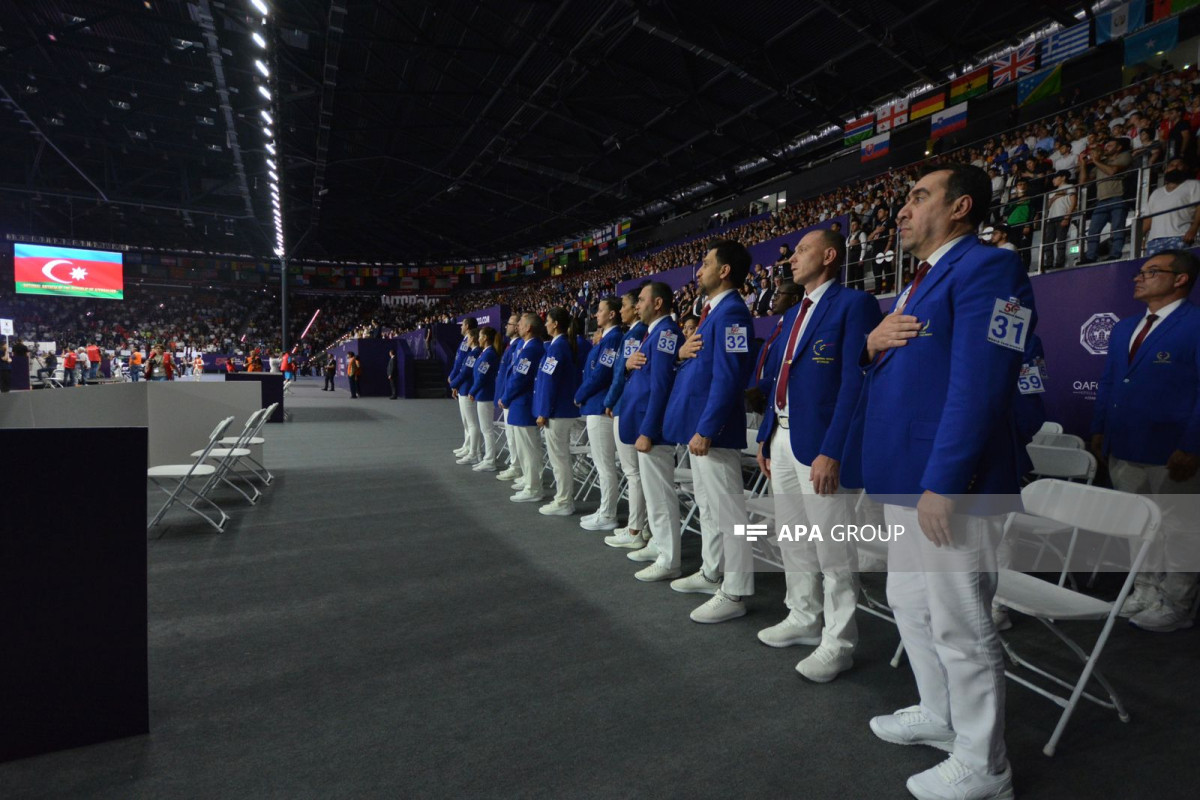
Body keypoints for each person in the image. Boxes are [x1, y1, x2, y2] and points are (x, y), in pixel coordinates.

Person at [852, 163, 1032, 800]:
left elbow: (982, 385)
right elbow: (903, 373)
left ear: (960, 209)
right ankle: (941, 715)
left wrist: (946, 481)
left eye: (918, 196)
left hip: (952, 483)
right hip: (908, 477)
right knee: (908, 601)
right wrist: (869, 347)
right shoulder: (918, 283)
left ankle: (987, 768)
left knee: (963, 625)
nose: (902, 209)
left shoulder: (991, 268)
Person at [755, 229, 882, 680]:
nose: (791, 258)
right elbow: (778, 380)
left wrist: (834, 449)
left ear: (829, 256)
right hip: (784, 439)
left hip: (822, 443)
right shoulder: (793, 314)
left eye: (802, 250)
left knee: (834, 549)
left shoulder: (853, 304)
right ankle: (803, 616)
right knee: (792, 536)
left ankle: (840, 640)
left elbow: (855, 380)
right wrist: (767, 435)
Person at [1091, 250, 1200, 632]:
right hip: (1123, 445)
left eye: (1150, 272)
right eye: (1139, 272)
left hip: (1173, 452)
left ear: (1180, 279)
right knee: (1137, 525)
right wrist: (1099, 428)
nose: (1139, 278)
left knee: (1182, 528)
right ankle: (1144, 589)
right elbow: (1108, 382)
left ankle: (1177, 602)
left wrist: (1193, 445)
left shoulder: (1196, 324)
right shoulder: (1125, 329)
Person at [659, 239, 757, 623]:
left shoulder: (732, 314)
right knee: (710, 507)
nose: (697, 271)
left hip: (712, 432)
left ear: (724, 270)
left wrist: (708, 428)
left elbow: (730, 378)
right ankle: (712, 570)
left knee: (729, 511)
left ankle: (735, 591)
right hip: (702, 429)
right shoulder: (712, 314)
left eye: (705, 264)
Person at [618, 282, 683, 582]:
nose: (636, 305)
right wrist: (629, 366)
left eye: (641, 300)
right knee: (653, 494)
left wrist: (649, 430)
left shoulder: (666, 333)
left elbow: (661, 387)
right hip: (645, 425)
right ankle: (658, 543)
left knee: (660, 496)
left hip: (652, 429)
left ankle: (669, 559)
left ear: (657, 304)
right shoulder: (653, 333)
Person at [602, 290, 650, 551]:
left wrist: (610, 400)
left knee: (633, 473)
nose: (621, 310)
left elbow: (622, 371)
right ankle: (638, 526)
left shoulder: (634, 333)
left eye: (625, 306)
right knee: (635, 473)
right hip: (627, 404)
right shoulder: (637, 331)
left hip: (626, 405)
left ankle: (635, 528)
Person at [574, 297, 624, 531]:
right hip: (595, 404)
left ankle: (608, 514)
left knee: (605, 466)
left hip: (599, 405)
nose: (596, 314)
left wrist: (580, 394)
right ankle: (605, 510)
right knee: (602, 464)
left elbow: (601, 374)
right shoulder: (606, 339)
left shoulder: (613, 339)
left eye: (600, 310)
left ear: (612, 314)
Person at [534, 307, 580, 516]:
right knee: (559, 457)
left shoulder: (558, 347)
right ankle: (563, 498)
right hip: (559, 410)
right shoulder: (558, 346)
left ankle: (564, 500)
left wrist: (544, 411)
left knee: (559, 458)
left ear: (554, 324)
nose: (545, 324)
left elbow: (550, 382)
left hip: (557, 412)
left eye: (547, 321)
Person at [501, 313, 547, 503]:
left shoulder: (531, 349)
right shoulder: (528, 347)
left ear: (528, 328)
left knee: (529, 449)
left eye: (520, 323)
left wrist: (506, 397)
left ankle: (533, 487)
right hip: (520, 403)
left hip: (524, 403)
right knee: (525, 448)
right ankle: (529, 480)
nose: (517, 325)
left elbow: (519, 378)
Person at [1080, 137, 1133, 264]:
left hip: (1118, 197)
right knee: (1093, 230)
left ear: (1118, 147)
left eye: (1110, 145)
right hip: (1101, 200)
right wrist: (1082, 166)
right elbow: (1083, 182)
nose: (1106, 147)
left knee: (1117, 228)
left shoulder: (1124, 156)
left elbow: (1112, 171)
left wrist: (1096, 161)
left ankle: (1115, 254)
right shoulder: (1102, 162)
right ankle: (1091, 256)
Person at [1142, 158, 1200, 256]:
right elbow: (1149, 219)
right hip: (1154, 240)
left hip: (1180, 235)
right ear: (1166, 170)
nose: (1175, 168)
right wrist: (1140, 238)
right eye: (1172, 165)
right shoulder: (1156, 193)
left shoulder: (1194, 185)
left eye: (1179, 165)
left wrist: (1193, 229)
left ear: (1185, 168)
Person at [468, 326, 502, 472]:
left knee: (487, 429)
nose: (478, 339)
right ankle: (487, 458)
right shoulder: (485, 353)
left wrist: (473, 391)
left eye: (481, 336)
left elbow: (482, 376)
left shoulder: (489, 355)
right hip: (483, 394)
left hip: (485, 395)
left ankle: (490, 460)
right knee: (485, 428)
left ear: (486, 338)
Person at [495, 314, 524, 483]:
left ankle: (517, 467)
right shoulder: (510, 345)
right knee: (511, 436)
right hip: (508, 395)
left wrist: (506, 395)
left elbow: (516, 376)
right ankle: (516, 466)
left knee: (514, 437)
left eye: (510, 324)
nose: (507, 326)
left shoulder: (519, 345)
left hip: (513, 397)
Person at [449, 317, 479, 459]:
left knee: (471, 421)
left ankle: (473, 450)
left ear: (467, 326)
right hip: (462, 384)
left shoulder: (470, 345)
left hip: (466, 384)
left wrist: (454, 380)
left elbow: (462, 364)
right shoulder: (464, 341)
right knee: (466, 421)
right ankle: (467, 446)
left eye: (462, 325)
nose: (460, 328)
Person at [454, 330, 483, 463]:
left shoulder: (475, 353)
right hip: (463, 388)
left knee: (472, 424)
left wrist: (453, 383)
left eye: (469, 337)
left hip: (467, 389)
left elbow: (465, 372)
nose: (467, 340)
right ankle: (468, 447)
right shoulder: (472, 352)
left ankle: (474, 453)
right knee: (467, 422)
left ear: (473, 339)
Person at [1041, 170, 1076, 270]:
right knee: (1048, 242)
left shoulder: (1070, 186)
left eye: (1056, 178)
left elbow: (1073, 202)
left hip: (1062, 215)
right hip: (1051, 218)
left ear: (1063, 177)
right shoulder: (1052, 192)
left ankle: (1060, 262)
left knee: (1061, 240)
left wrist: (1067, 217)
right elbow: (1047, 206)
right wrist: (1055, 196)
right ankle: (1049, 262)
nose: (1053, 180)